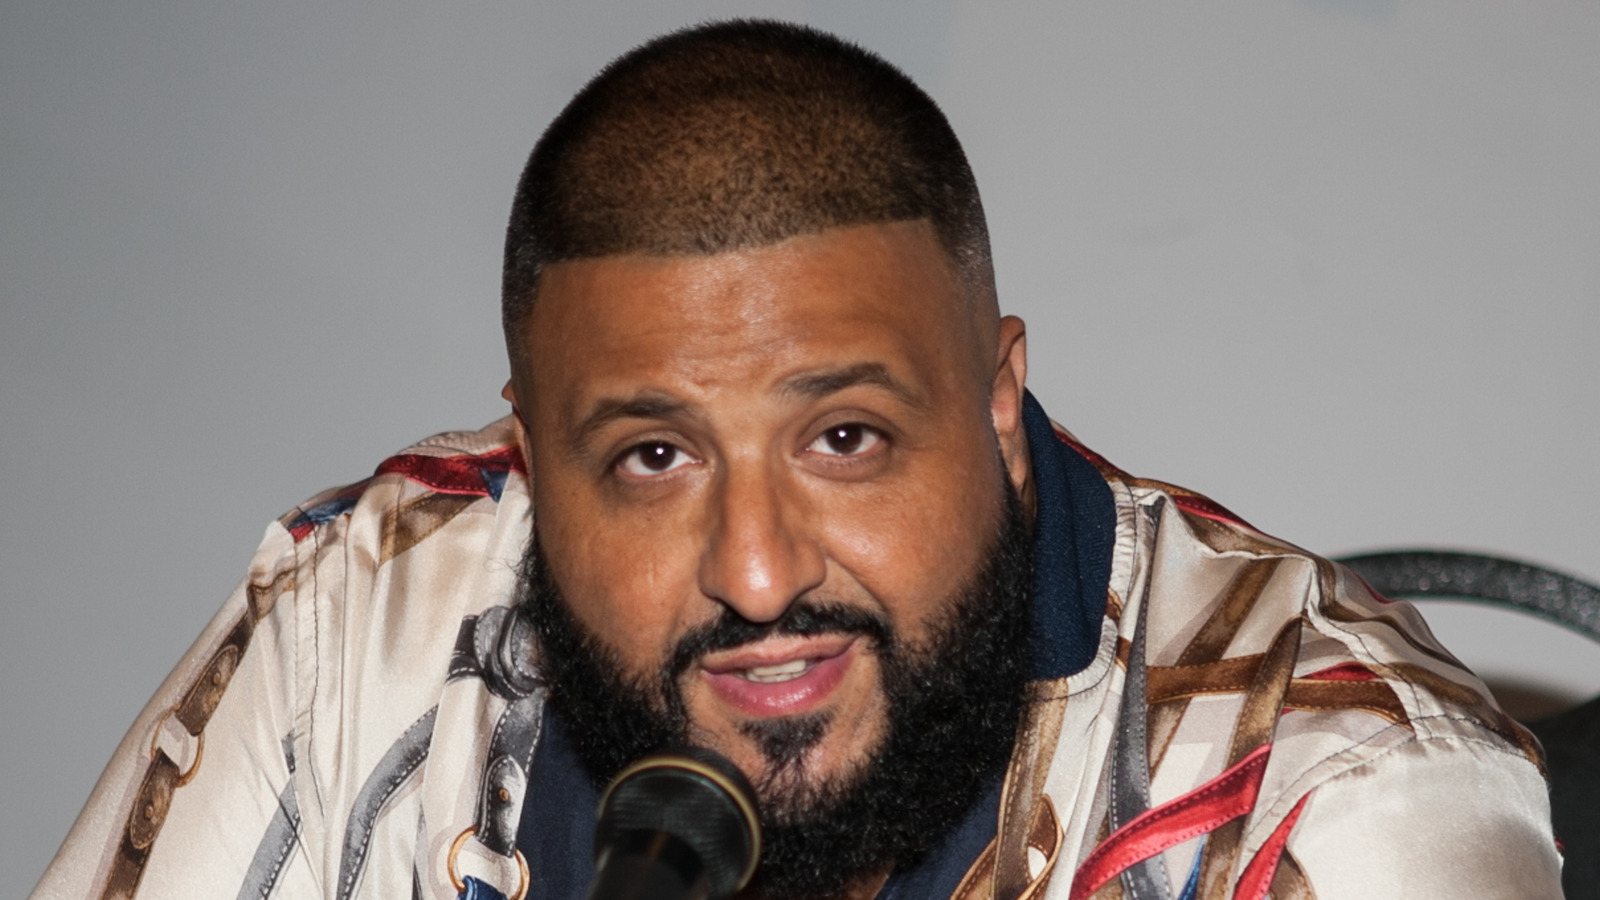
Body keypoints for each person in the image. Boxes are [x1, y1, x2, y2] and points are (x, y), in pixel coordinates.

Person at [31, 20, 1562, 900]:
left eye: (845, 440)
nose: (758, 574)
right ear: (532, 460)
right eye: (653, 458)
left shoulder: (1339, 791)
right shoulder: (362, 623)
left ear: (999, 410)